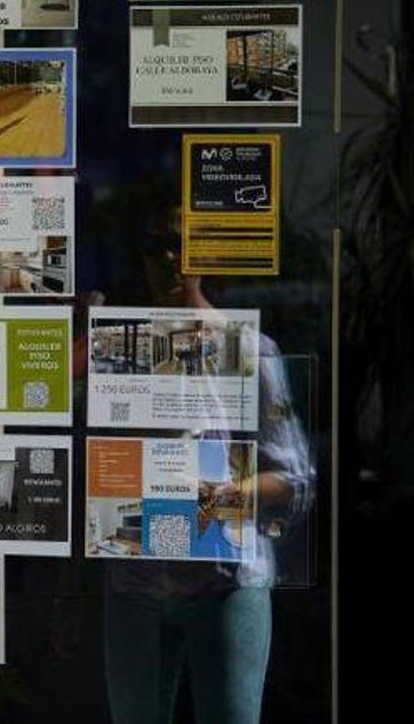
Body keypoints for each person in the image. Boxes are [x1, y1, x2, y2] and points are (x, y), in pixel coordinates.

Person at [101, 205, 315, 724]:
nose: (168, 259)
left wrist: (211, 495)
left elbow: (296, 478)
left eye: (181, 245)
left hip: (225, 578)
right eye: (155, 246)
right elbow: (93, 471)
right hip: (135, 578)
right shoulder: (117, 352)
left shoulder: (250, 350)